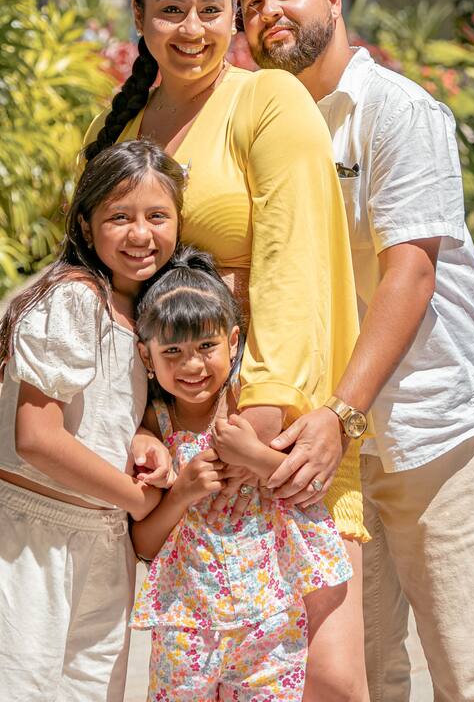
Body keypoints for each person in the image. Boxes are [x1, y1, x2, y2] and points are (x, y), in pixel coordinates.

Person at [234, 0, 474, 702]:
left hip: (428, 433)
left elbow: (411, 273)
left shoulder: (395, 109)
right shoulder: (262, 121)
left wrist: (341, 414)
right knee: (360, 674)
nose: (268, 13)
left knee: (472, 672)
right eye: (251, 3)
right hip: (322, 454)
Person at [84, 0, 369, 702]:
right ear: (139, 17)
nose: (193, 28)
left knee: (327, 678)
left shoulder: (266, 98)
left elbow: (296, 260)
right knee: (205, 669)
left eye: (212, 9)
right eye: (171, 10)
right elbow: (112, 284)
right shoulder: (127, 127)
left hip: (272, 429)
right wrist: (143, 420)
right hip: (176, 432)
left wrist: (264, 416)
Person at [0, 140, 182, 702]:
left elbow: (105, 409)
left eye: (157, 216)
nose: (141, 234)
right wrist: (139, 501)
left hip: (101, 541)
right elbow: (38, 438)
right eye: (120, 217)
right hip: (29, 540)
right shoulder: (74, 299)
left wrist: (143, 440)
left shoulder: (139, 309)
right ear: (88, 227)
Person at [130, 247, 353, 701]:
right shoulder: (156, 428)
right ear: (146, 356)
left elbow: (307, 488)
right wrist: (181, 493)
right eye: (172, 350)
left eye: (206, 346)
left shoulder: (254, 411)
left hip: (269, 621)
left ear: (234, 343)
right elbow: (144, 544)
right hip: (185, 623)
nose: (191, 365)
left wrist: (253, 455)